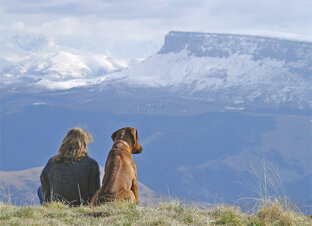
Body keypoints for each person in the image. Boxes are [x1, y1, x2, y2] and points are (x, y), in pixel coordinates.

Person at [40, 128, 100, 206]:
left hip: (57, 206)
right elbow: (94, 191)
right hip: (82, 205)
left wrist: (49, 203)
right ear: (84, 144)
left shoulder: (52, 162)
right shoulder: (91, 164)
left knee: (39, 189)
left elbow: (45, 183)